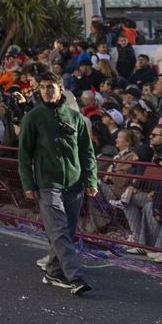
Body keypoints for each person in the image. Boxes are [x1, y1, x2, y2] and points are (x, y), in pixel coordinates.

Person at [17, 67, 98, 296]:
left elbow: (87, 152)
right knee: (60, 230)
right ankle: (76, 277)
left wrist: (91, 179)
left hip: (75, 183)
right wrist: (28, 184)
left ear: (61, 89)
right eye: (41, 88)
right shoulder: (33, 117)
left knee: (65, 233)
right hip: (47, 183)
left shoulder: (76, 119)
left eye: (50, 87)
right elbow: (24, 154)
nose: (45, 91)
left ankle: (53, 271)